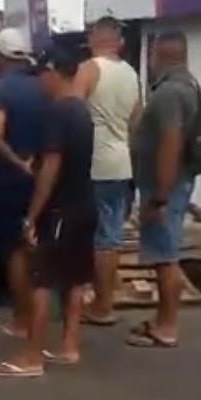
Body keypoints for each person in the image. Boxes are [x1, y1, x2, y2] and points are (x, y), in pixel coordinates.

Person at [0, 47, 96, 377]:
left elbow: (51, 167)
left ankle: (33, 357)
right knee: (76, 279)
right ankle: (69, 346)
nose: (39, 81)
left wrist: (33, 216)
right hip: (84, 203)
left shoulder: (57, 113)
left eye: (42, 75)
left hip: (61, 208)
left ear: (54, 73)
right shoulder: (82, 111)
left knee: (41, 280)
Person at [127, 29, 201, 349]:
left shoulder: (170, 93)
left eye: (152, 54)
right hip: (174, 182)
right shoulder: (188, 85)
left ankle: (167, 326)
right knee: (164, 254)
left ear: (158, 55)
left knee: (164, 257)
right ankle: (162, 320)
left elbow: (171, 142)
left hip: (167, 186)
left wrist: (159, 196)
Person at [72, 17, 141, 326]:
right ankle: (105, 302)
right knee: (111, 235)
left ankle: (96, 304)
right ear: (119, 41)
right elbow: (136, 122)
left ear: (93, 37)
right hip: (121, 163)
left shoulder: (88, 69)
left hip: (94, 163)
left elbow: (71, 115)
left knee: (93, 236)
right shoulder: (131, 73)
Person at [0, 28, 47, 339]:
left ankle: (22, 320)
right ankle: (37, 316)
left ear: (2, 57)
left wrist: (17, 161)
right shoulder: (43, 87)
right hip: (41, 181)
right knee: (35, 248)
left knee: (15, 252)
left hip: (8, 182)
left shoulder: (2, 90)